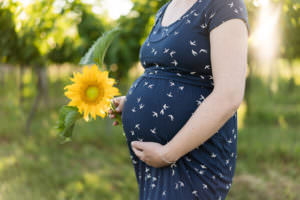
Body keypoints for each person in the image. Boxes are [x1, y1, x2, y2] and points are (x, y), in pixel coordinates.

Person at [108, 0, 250, 199]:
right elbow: (165, 72)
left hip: (191, 155)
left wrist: (168, 153)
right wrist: (133, 102)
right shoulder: (165, 9)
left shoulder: (223, 4)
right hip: (154, 160)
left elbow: (229, 95)